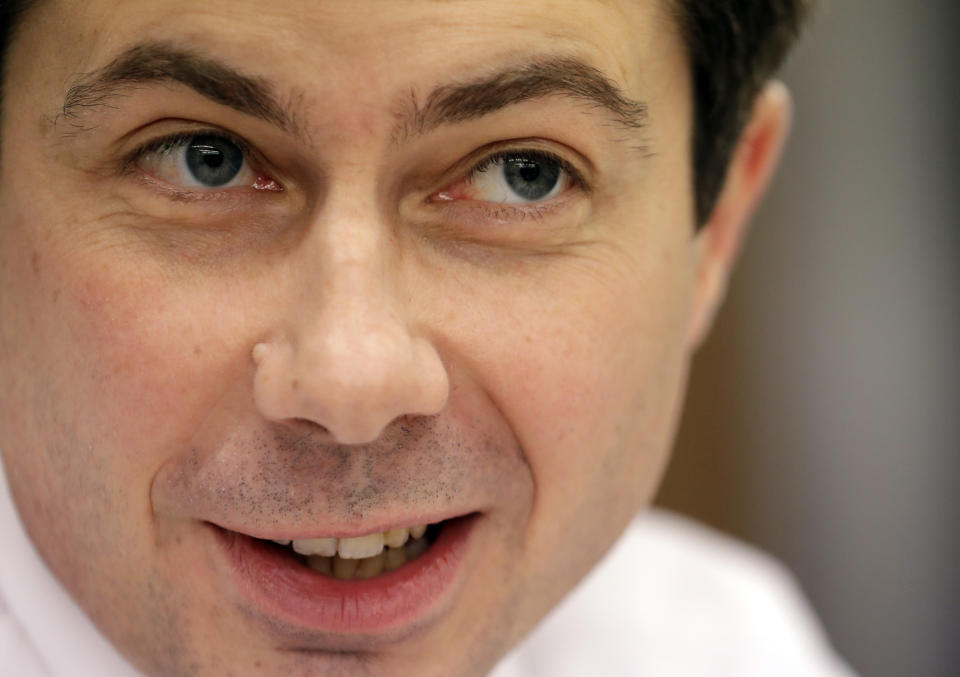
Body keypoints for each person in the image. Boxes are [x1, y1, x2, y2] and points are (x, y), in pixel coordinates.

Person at [0, 0, 855, 675]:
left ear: (717, 232)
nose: (351, 383)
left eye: (526, 175)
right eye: (202, 158)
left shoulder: (716, 649)